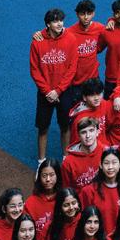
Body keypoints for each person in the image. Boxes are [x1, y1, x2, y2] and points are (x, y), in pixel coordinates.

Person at [30, 8, 78, 161]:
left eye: (61, 20)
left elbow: (72, 68)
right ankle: (41, 161)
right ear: (48, 24)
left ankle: (66, 160)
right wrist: (47, 91)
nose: (59, 24)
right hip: (45, 94)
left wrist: (58, 91)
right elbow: (34, 70)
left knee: (65, 126)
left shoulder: (71, 39)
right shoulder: (37, 42)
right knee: (43, 128)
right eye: (55, 21)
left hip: (64, 92)